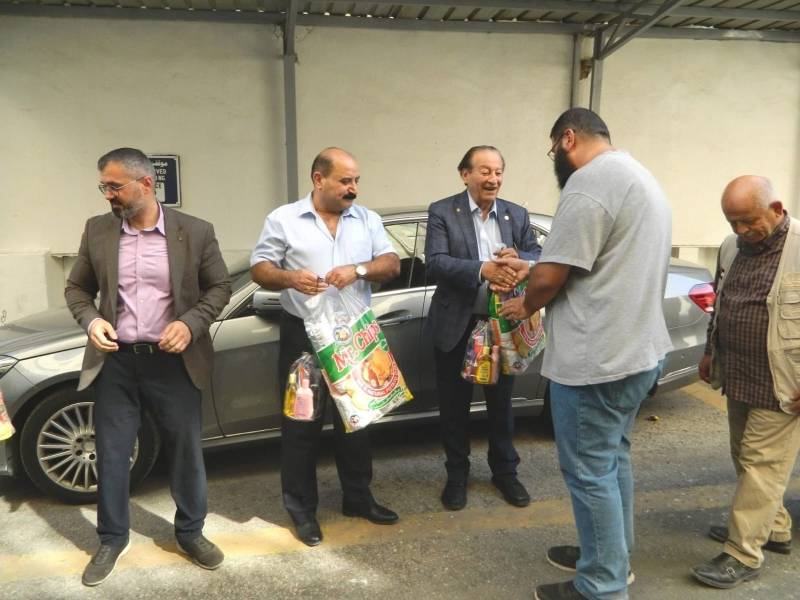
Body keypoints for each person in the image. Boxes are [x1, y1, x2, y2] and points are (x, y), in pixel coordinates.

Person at [498, 109, 672, 600]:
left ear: (568, 138)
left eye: (554, 149)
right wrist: (531, 265)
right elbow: (590, 261)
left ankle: (602, 584)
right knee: (611, 459)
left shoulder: (588, 182)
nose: (555, 158)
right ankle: (613, 556)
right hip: (638, 351)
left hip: (598, 360)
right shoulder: (638, 176)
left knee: (589, 472)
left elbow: (554, 278)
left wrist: (524, 304)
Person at [65, 147, 231, 586]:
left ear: (145, 183)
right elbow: (77, 289)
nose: (108, 195)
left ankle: (191, 533)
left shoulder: (195, 231)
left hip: (174, 362)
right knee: (113, 453)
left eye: (114, 186)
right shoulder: (98, 230)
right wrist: (92, 321)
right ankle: (112, 538)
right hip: (117, 362)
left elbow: (219, 287)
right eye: (103, 187)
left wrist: (191, 324)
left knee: (185, 452)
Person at [250, 147, 401, 547]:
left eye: (356, 181)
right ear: (319, 179)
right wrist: (289, 278)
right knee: (301, 424)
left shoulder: (366, 219)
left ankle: (358, 498)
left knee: (357, 421)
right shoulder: (283, 219)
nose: (353, 189)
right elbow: (260, 268)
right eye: (345, 181)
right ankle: (302, 509)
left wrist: (359, 270)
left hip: (354, 336)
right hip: (303, 336)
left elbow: (391, 264)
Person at [691, 176, 800, 589]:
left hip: (785, 381)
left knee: (761, 464)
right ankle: (773, 527)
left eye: (748, 220)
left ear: (777, 209)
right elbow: (720, 302)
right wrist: (709, 351)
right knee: (744, 455)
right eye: (732, 221)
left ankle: (743, 553)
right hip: (738, 372)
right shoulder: (730, 246)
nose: (740, 230)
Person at [424, 145, 542, 512]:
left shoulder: (515, 214)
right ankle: (457, 475)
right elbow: (435, 263)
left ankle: (505, 472)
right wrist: (482, 269)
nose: (493, 179)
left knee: (501, 405)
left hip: (502, 323)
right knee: (454, 407)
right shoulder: (443, 211)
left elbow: (539, 255)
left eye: (498, 172)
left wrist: (521, 259)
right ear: (465, 175)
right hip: (457, 325)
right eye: (485, 171)